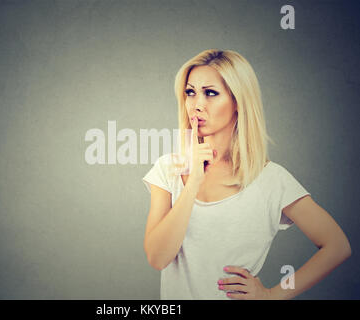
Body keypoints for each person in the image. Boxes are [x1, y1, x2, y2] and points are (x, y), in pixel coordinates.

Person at [141, 49, 351, 300]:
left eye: (210, 93)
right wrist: (194, 180)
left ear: (238, 102)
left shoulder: (272, 180)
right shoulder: (168, 169)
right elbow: (158, 257)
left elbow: (337, 247)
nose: (196, 104)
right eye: (190, 92)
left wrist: (272, 295)